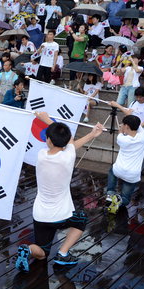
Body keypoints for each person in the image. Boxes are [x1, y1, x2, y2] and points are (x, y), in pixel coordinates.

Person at [15, 112, 104, 272]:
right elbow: (71, 143)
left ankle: (28, 250)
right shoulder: (67, 157)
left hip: (40, 215)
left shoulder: (41, 155)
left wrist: (45, 120)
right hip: (60, 215)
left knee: (42, 253)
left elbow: (68, 142)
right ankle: (63, 253)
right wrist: (92, 134)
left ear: (48, 140)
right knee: (81, 219)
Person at [105, 115, 144, 214]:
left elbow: (120, 133)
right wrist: (127, 114)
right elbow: (137, 125)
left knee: (112, 171)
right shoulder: (142, 136)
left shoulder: (122, 139)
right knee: (126, 198)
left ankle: (110, 194)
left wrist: (120, 128)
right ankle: (119, 200)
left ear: (126, 126)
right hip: (132, 174)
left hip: (118, 169)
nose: (121, 126)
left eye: (123, 124)